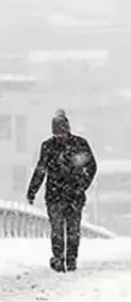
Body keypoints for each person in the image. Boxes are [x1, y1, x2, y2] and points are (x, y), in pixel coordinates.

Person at [27, 109, 98, 272]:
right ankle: (59, 258)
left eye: (62, 132)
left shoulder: (79, 144)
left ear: (67, 129)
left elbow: (91, 166)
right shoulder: (49, 146)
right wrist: (32, 190)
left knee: (72, 229)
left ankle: (71, 258)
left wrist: (81, 186)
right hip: (57, 195)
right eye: (57, 134)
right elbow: (41, 170)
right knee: (58, 229)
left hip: (71, 194)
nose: (60, 137)